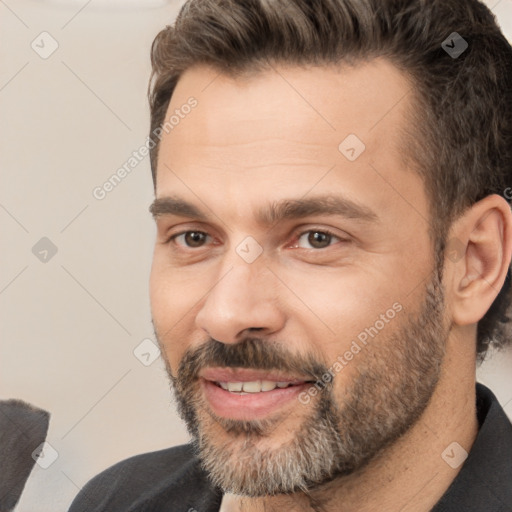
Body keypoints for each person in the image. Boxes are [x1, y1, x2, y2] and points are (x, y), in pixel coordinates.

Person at [68, 0, 512, 510]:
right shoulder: (118, 501)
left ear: (474, 262)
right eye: (194, 237)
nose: (226, 314)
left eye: (317, 238)